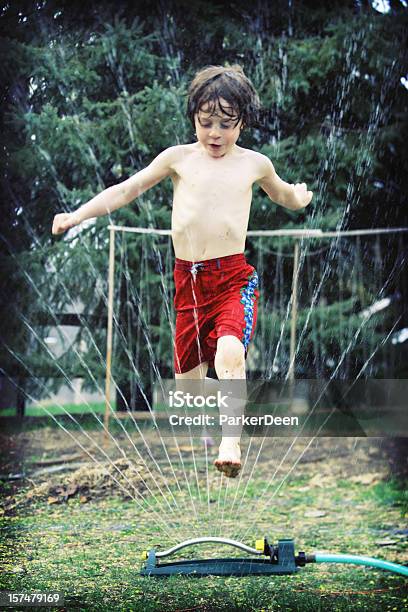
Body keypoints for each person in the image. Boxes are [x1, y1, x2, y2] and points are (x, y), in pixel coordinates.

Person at [52, 64, 313, 477]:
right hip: (188, 284)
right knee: (188, 391)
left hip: (232, 279)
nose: (214, 133)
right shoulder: (178, 159)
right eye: (206, 123)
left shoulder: (254, 164)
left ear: (242, 123)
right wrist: (77, 215)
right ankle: (224, 403)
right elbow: (125, 190)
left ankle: (231, 441)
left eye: (226, 125)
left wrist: (298, 197)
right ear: (193, 117)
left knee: (230, 351)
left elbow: (282, 195)